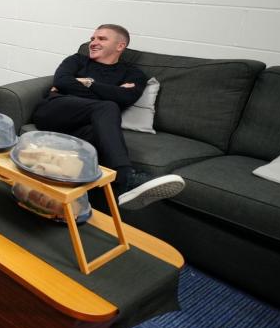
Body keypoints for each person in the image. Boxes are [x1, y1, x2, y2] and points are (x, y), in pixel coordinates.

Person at [32, 24, 185, 210]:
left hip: (84, 126)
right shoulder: (77, 60)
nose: (93, 43)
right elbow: (62, 82)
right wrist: (111, 91)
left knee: (100, 135)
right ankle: (126, 178)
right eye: (92, 39)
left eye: (101, 39)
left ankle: (85, 203)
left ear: (120, 46)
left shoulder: (133, 73)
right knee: (107, 106)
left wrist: (86, 83)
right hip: (54, 110)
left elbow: (126, 98)